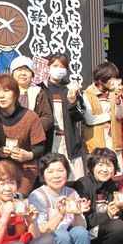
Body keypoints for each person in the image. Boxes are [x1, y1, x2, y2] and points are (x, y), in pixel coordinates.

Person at [29, 153, 94, 244]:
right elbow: (40, 230)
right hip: (51, 236)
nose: (56, 176)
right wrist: (60, 214)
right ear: (43, 174)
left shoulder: (72, 192)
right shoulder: (37, 196)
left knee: (81, 232)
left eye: (60, 170)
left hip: (69, 232)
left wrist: (77, 213)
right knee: (62, 235)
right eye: (50, 171)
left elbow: (80, 225)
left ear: (67, 172)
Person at [0, 74, 46, 195]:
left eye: (6, 91)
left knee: (18, 199)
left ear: (15, 93)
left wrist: (29, 155)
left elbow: (40, 146)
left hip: (25, 169)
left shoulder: (30, 117)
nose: (1, 96)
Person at [43, 53, 86, 181]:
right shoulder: (41, 89)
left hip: (69, 142)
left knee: (73, 180)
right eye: (55, 66)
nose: (58, 69)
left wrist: (72, 102)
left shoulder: (71, 88)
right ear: (48, 67)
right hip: (49, 141)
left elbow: (80, 115)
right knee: (52, 178)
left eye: (62, 67)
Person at [81, 61, 123, 170]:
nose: (113, 81)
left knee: (115, 172)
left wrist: (118, 101)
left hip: (113, 141)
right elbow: (89, 119)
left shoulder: (114, 92)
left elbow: (120, 116)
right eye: (110, 78)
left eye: (115, 78)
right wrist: (110, 116)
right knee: (97, 171)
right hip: (95, 142)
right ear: (101, 79)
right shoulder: (87, 94)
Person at [9, 55, 53, 133]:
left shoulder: (39, 92)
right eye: (19, 69)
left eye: (27, 70)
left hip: (33, 136)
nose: (23, 73)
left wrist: (31, 126)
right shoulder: (6, 91)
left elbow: (47, 118)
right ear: (12, 73)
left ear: (32, 74)